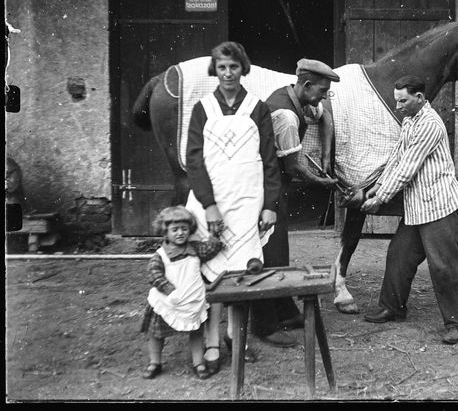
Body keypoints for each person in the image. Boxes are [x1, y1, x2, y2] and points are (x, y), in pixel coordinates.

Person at [184, 41, 281, 372]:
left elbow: (270, 161)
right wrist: (209, 206)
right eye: (222, 67)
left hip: (247, 200)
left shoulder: (258, 108)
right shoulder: (202, 109)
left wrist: (270, 205)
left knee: (241, 270)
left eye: (234, 67)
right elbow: (193, 161)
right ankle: (212, 340)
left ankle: (233, 336)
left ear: (243, 69)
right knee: (211, 272)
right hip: (212, 201)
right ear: (215, 69)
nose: (228, 73)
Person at [360, 75, 458, 345]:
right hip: (416, 206)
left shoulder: (430, 124)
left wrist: (381, 198)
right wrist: (378, 185)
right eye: (396, 100)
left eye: (403, 101)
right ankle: (392, 307)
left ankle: (456, 323)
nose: (398, 106)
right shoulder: (410, 120)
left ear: (420, 98)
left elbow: (408, 168)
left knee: (444, 266)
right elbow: (397, 157)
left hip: (438, 206)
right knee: (399, 256)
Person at [248, 58, 340, 348]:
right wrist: (322, 181)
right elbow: (294, 168)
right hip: (260, 184)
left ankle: (284, 310)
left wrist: (326, 157)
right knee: (267, 252)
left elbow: (326, 116)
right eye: (321, 91)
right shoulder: (286, 116)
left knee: (280, 249)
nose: (323, 97)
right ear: (306, 85)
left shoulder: (298, 95)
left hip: (275, 182)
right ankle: (263, 324)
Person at [140, 206, 223, 380]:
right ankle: (155, 362)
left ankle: (198, 363)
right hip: (168, 301)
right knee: (157, 333)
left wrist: (215, 236)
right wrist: (170, 291)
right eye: (175, 230)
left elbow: (211, 249)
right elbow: (155, 275)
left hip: (191, 302)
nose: (180, 233)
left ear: (190, 230)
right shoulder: (161, 255)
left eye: (184, 229)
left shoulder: (195, 249)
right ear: (165, 232)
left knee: (196, 331)